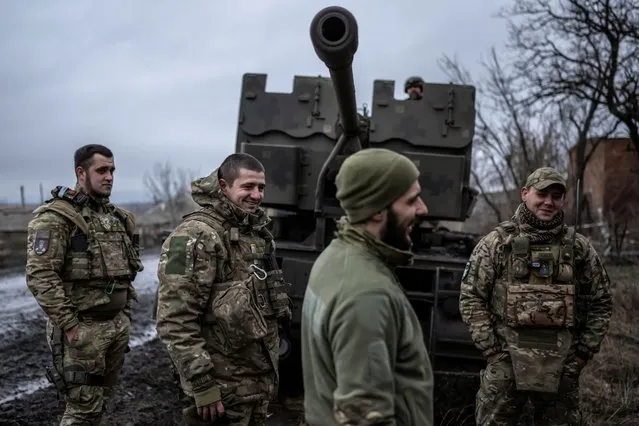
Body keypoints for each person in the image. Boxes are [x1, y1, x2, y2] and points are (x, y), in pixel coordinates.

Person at [459, 166, 613, 425]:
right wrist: (493, 352)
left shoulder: (578, 248)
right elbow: (471, 296)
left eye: (556, 196)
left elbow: (601, 301)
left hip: (562, 367)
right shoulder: (497, 244)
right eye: (542, 194)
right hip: (506, 365)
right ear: (525, 193)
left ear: (563, 200)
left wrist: (582, 354)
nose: (548, 202)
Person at [155, 153, 291, 426]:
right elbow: (174, 320)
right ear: (224, 186)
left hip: (255, 387)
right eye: (248, 186)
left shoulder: (257, 233)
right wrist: (202, 384)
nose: (256, 195)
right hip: (220, 392)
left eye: (261, 187)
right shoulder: (193, 236)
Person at [300, 148, 434, 425]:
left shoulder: (335, 255)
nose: (423, 209)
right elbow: (365, 417)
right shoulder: (366, 294)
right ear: (377, 211)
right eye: (411, 200)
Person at [25, 143, 143, 425]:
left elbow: (124, 273)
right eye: (101, 170)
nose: (109, 177)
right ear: (81, 172)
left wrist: (124, 316)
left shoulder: (117, 218)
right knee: (82, 411)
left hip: (115, 327)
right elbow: (40, 275)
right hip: (82, 331)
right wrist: (70, 326)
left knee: (100, 406)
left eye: (112, 170)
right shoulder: (57, 217)